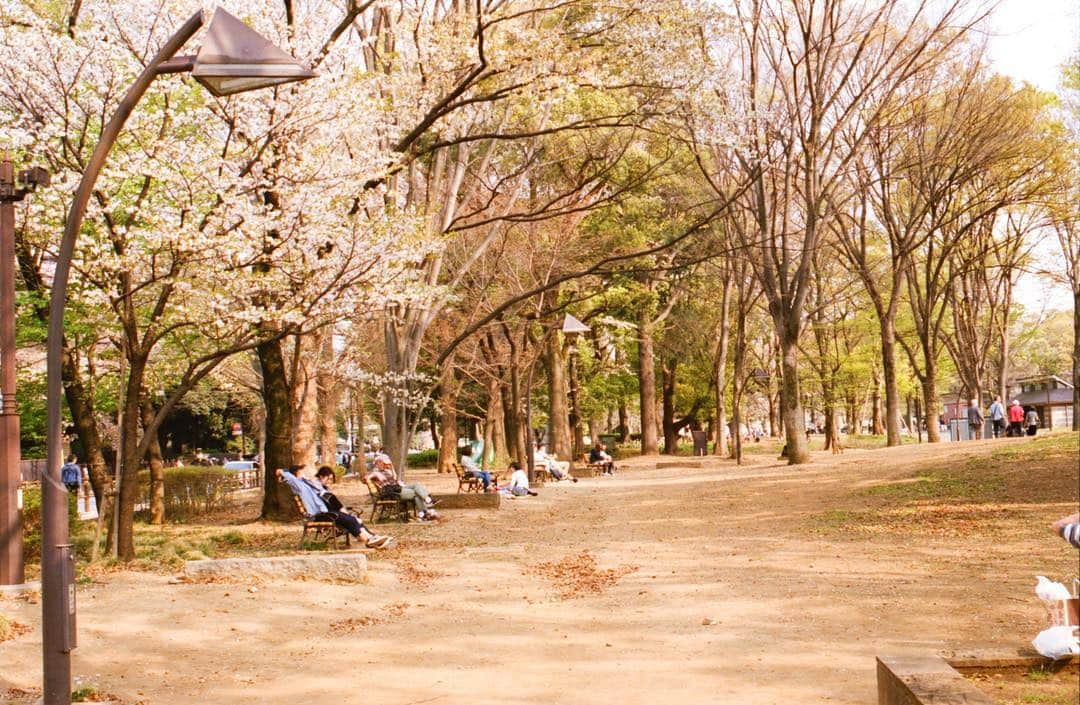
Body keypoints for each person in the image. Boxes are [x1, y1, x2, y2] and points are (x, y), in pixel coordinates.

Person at [277, 466, 392, 549]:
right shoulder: (298, 484)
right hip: (318, 515)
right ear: (296, 474)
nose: (305, 474)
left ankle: (371, 538)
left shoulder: (306, 484)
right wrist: (284, 471)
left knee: (350, 518)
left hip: (324, 512)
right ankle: (367, 539)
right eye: (302, 471)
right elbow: (281, 472)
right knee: (349, 518)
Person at [365, 460, 441, 521]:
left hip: (398, 488)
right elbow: (366, 478)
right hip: (393, 493)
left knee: (417, 485)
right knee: (417, 494)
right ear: (377, 464)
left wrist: (391, 467)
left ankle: (425, 507)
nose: (382, 464)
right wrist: (372, 477)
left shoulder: (387, 471)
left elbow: (395, 478)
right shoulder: (376, 473)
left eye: (383, 463)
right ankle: (426, 507)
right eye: (380, 463)